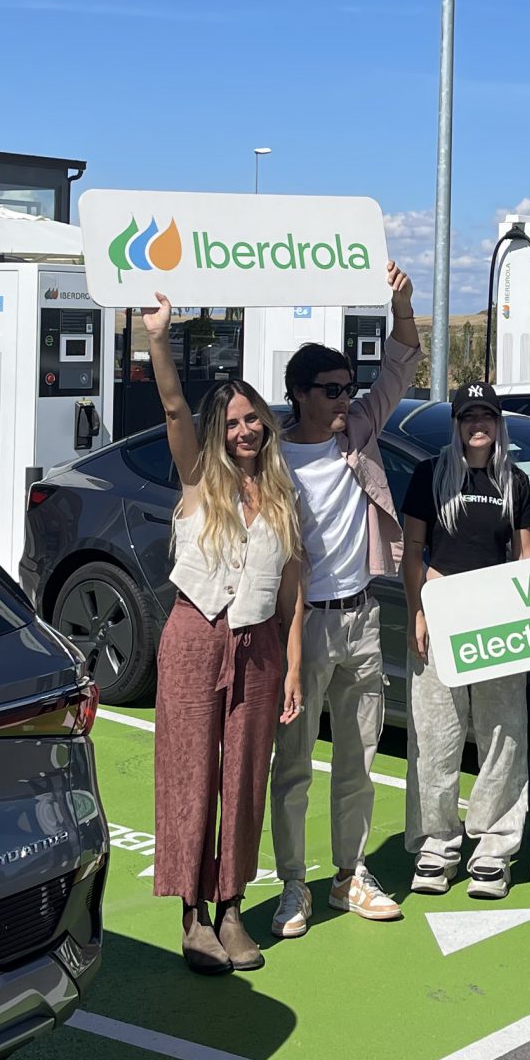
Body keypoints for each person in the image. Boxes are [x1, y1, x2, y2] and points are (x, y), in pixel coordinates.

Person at [141, 297, 306, 974]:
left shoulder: (283, 495)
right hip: (194, 634)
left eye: (254, 420)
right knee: (190, 774)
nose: (246, 431)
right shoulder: (197, 479)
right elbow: (176, 408)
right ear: (218, 431)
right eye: (234, 422)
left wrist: (293, 668)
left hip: (260, 646)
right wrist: (159, 341)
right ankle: (191, 915)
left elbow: (292, 593)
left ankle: (231, 906)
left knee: (244, 777)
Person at [269, 261, 421, 937]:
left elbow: (402, 365)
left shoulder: (358, 433)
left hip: (360, 617)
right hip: (300, 630)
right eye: (330, 391)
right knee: (294, 764)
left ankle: (348, 874)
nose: (343, 400)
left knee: (359, 759)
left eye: (346, 389)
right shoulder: (269, 460)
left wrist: (403, 304)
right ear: (299, 394)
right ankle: (293, 884)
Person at [403, 381, 530, 898]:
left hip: (499, 620)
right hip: (441, 617)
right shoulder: (428, 475)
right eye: (467, 416)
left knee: (504, 731)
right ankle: (437, 845)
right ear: (456, 423)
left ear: (498, 422)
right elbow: (413, 548)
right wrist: (419, 610)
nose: (477, 424)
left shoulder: (516, 481)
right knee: (435, 736)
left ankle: (496, 846)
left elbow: (525, 552)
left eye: (486, 415)